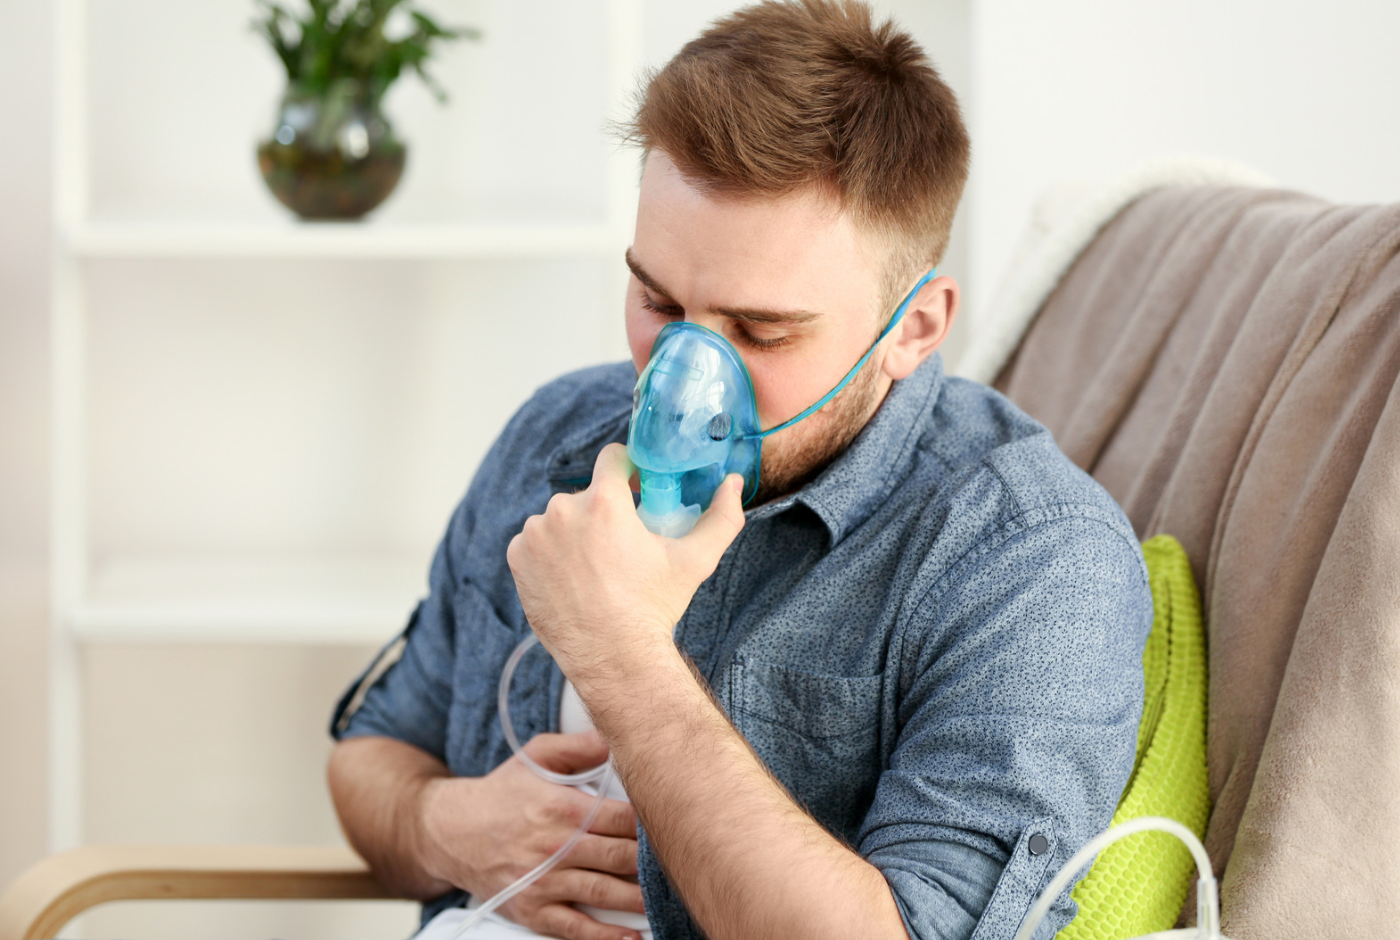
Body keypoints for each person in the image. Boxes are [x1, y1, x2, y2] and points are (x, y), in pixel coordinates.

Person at [326, 2, 1152, 939]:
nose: (682, 376)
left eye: (759, 331)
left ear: (912, 330)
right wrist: (449, 830)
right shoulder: (555, 434)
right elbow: (371, 753)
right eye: (657, 298)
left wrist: (623, 653)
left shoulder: (1031, 563)